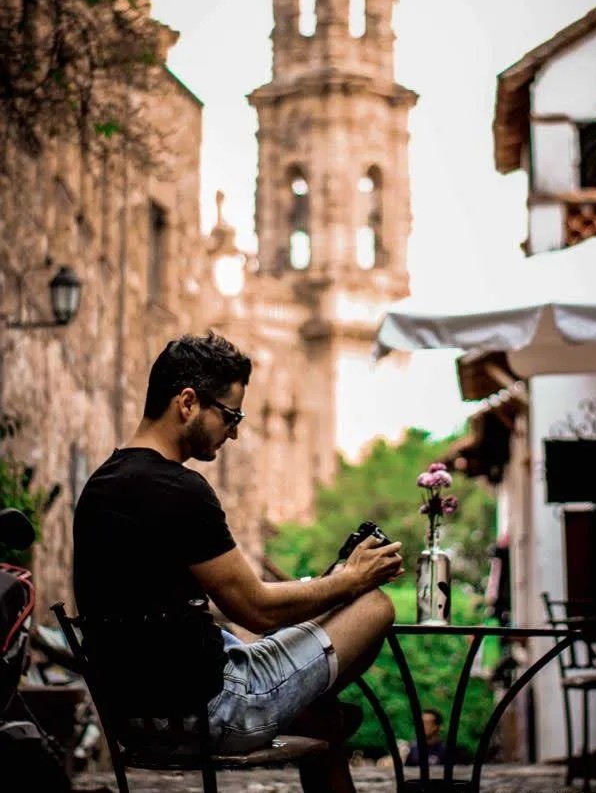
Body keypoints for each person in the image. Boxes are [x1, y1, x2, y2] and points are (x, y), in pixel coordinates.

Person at [73, 332, 404, 793]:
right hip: (213, 709)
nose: (235, 430)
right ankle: (308, 703)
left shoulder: (99, 487)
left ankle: (311, 706)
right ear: (187, 403)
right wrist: (352, 579)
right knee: (374, 607)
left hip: (135, 716)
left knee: (318, 704)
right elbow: (258, 609)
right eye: (230, 415)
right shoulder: (180, 490)